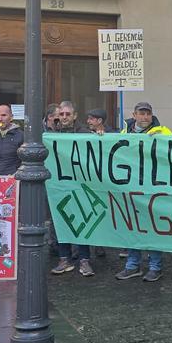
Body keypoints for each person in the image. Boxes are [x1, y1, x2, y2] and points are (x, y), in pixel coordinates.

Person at [116, 101, 172, 281]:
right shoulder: (124, 133)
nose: (145, 116)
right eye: (141, 113)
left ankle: (155, 266)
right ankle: (132, 265)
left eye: (148, 113)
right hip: (132, 187)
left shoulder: (163, 132)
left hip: (154, 188)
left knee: (154, 228)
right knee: (133, 227)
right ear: (134, 115)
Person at [49, 101, 95, 277]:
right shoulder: (52, 134)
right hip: (59, 185)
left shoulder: (84, 133)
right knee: (62, 222)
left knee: (82, 221)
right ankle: (64, 259)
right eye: (62, 114)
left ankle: (84, 260)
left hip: (80, 184)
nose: (65, 117)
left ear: (75, 116)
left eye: (68, 114)